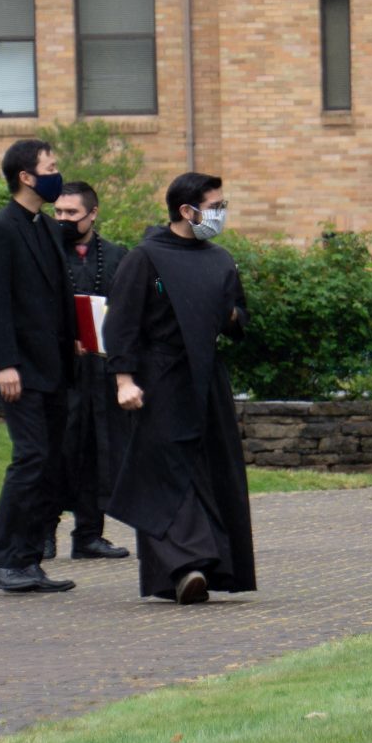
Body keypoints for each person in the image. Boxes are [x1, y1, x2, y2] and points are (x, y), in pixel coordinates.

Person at [102, 172, 255, 605]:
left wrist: (229, 318)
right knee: (167, 469)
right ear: (187, 211)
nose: (221, 214)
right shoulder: (146, 260)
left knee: (211, 468)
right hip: (160, 378)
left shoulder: (220, 258)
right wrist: (124, 380)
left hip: (207, 379)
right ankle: (186, 564)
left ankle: (206, 565)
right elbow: (122, 323)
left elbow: (238, 312)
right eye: (215, 206)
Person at [0, 138, 77, 594]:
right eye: (51, 167)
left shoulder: (45, 228)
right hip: (21, 370)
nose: (58, 173)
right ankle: (1, 561)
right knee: (30, 457)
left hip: (54, 367)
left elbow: (56, 296)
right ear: (26, 177)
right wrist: (5, 364)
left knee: (50, 461)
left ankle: (28, 560)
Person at [47, 181, 132, 561]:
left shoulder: (117, 255)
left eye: (71, 213)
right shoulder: (45, 252)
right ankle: (43, 532)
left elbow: (131, 307)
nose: (63, 220)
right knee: (56, 451)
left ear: (93, 213)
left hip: (100, 370)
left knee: (99, 451)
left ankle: (89, 534)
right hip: (59, 371)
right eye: (59, 212)